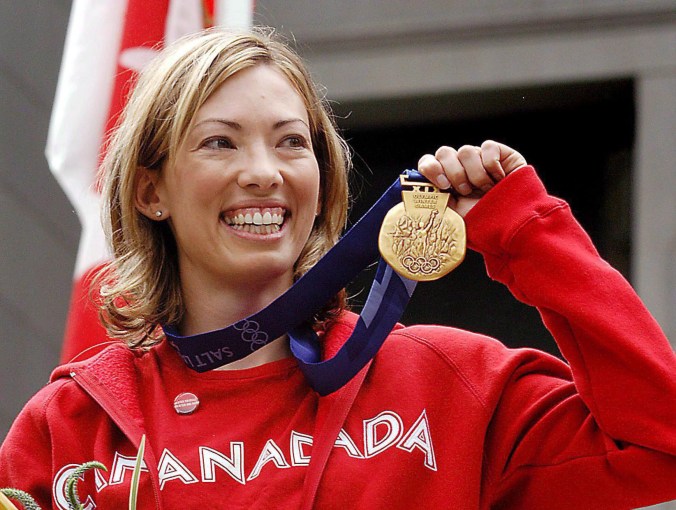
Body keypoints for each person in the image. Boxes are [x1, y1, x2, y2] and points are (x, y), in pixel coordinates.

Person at [1, 27, 674, 510]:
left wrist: (525, 230)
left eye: (293, 143)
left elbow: (661, 443)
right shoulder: (75, 427)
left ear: (320, 182)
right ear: (151, 191)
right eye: (219, 142)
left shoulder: (447, 388)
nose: (264, 173)